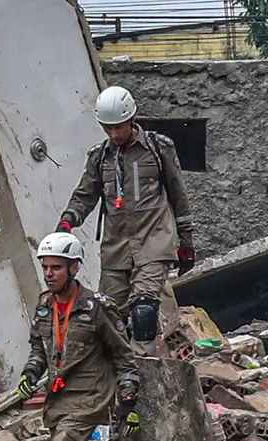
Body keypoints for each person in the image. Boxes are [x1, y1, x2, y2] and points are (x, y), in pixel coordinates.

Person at [58, 86, 194, 349]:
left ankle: (144, 373)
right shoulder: (100, 157)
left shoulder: (158, 148)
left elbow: (179, 196)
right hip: (116, 248)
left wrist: (186, 242)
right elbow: (85, 195)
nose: (114, 134)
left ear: (131, 120)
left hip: (154, 241)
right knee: (109, 317)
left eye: (118, 127)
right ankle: (120, 377)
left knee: (144, 310)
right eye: (107, 128)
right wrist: (67, 222)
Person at [16, 231, 140, 441]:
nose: (49, 274)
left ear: (74, 268)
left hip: (89, 399)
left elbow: (124, 356)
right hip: (58, 399)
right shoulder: (44, 305)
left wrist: (129, 402)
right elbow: (40, 349)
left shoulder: (98, 307)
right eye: (45, 267)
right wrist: (29, 374)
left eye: (56, 267)